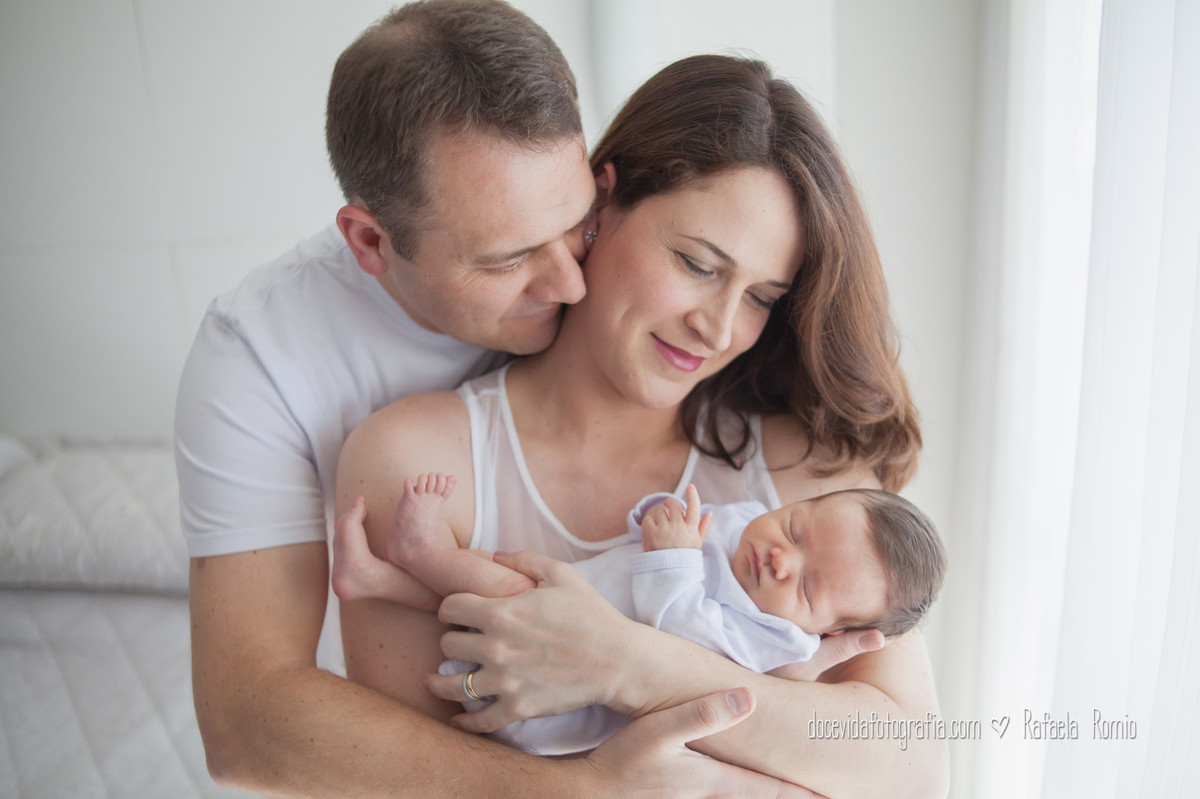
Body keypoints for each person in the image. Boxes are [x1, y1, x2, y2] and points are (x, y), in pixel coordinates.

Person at [175, 2, 817, 796]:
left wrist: (632, 664)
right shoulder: (263, 358)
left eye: (578, 225)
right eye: (509, 259)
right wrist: (585, 788)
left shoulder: (747, 419)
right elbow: (245, 717)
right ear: (371, 242)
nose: (572, 283)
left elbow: (907, 752)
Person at [336, 53, 949, 797]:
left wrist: (625, 663)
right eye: (697, 264)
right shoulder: (422, 458)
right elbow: (398, 779)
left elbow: (914, 772)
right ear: (602, 202)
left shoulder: (809, 476)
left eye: (761, 297)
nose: (718, 328)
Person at [333, 474, 947, 756]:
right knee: (494, 586)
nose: (782, 559)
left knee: (509, 586)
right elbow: (660, 532)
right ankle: (376, 580)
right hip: (554, 612)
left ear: (827, 631)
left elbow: (677, 644)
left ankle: (422, 552)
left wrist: (674, 557)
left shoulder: (775, 640)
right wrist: (662, 518)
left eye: (808, 586)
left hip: (549, 699)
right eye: (797, 529)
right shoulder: (750, 525)